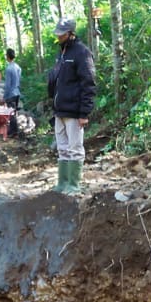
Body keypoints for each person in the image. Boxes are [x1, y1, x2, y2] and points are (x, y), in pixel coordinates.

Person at [48, 18, 96, 194]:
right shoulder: (61, 53)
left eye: (61, 34)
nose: (59, 37)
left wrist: (85, 112)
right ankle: (63, 183)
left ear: (70, 33)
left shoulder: (82, 53)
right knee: (62, 148)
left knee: (75, 149)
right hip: (59, 110)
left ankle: (74, 186)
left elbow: (88, 83)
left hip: (75, 111)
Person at [1, 48, 23, 136]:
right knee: (14, 112)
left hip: (11, 93)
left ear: (7, 56)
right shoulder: (18, 67)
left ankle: (13, 131)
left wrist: (4, 96)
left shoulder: (9, 68)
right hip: (17, 92)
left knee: (11, 113)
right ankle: (14, 130)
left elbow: (7, 85)